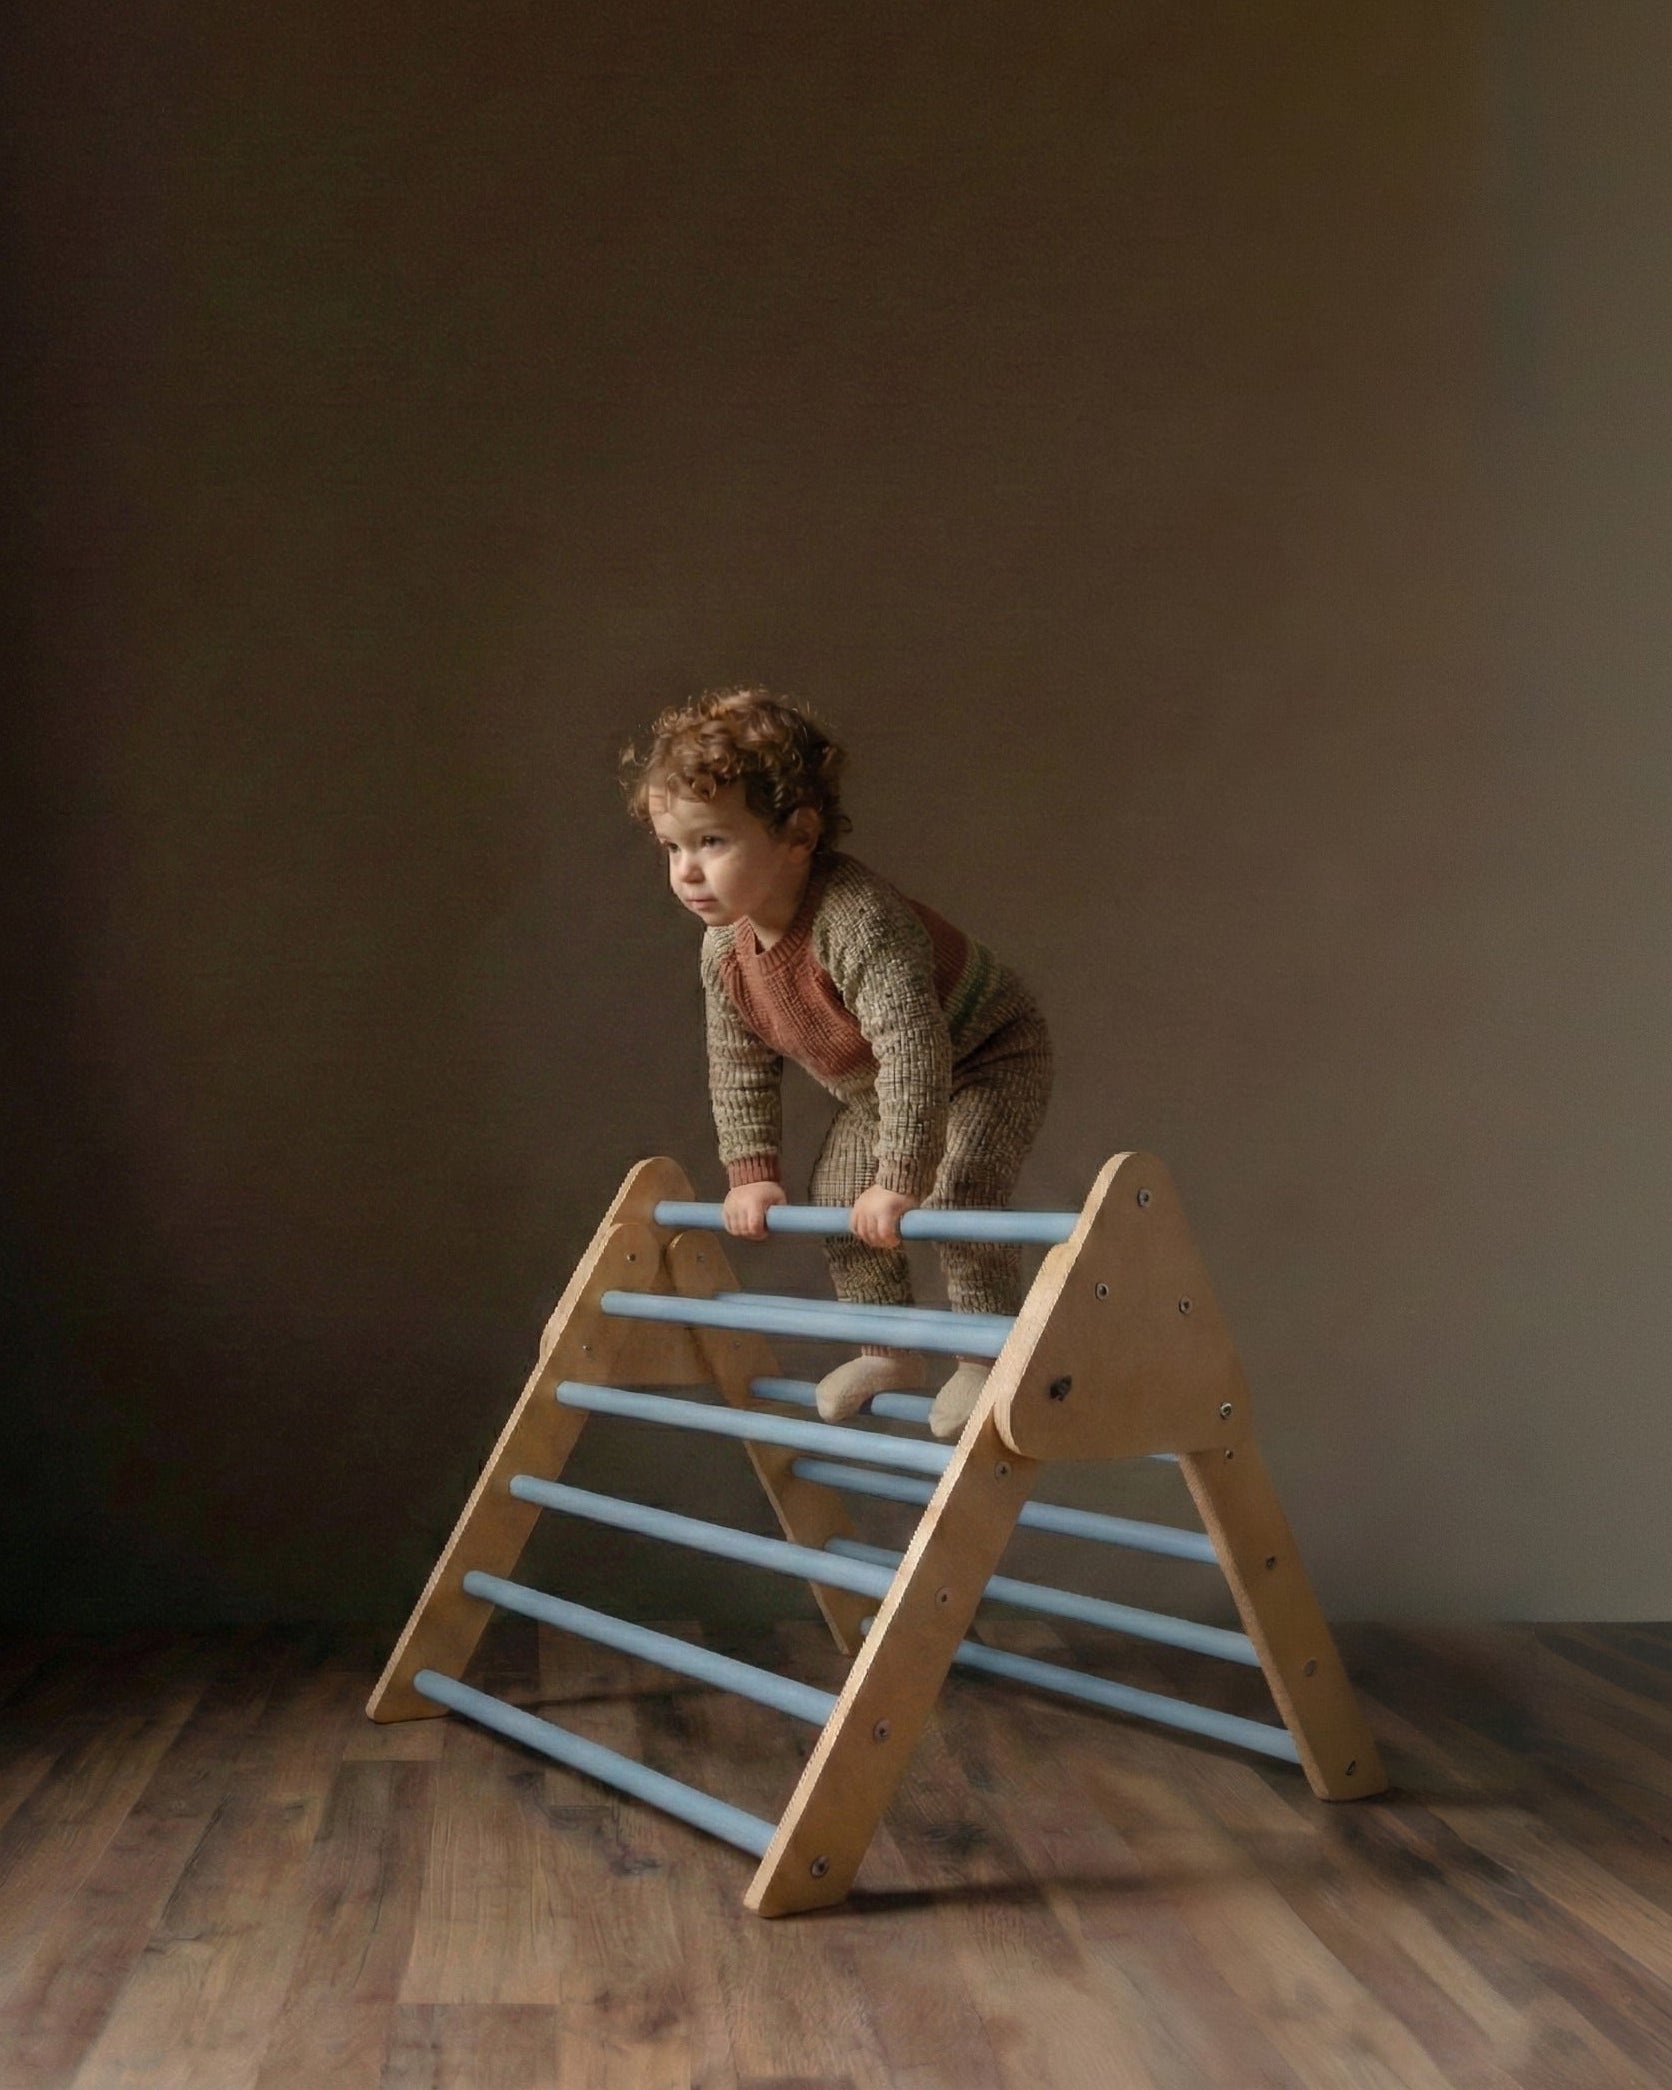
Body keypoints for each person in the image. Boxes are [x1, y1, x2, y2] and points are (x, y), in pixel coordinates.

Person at [620, 688, 1052, 1441]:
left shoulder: (858, 922)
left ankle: (985, 1355)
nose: (686, 872)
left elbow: (914, 1051)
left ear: (798, 834)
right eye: (672, 847)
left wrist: (901, 1179)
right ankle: (888, 1350)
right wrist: (752, 1171)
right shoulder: (724, 949)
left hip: (984, 1058)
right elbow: (738, 1063)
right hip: (882, 1089)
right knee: (838, 1195)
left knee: (957, 1194)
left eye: (711, 842)